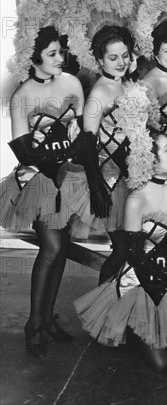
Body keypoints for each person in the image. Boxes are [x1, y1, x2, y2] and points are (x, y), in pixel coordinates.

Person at [74, 129, 167, 372]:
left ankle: (158, 327)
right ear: (150, 162)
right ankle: (135, 327)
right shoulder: (136, 200)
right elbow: (134, 257)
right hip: (146, 282)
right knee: (161, 365)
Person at [0, 26, 86, 357]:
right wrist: (61, 162)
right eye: (52, 54)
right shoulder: (22, 96)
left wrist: (75, 160)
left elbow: (81, 133)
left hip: (70, 177)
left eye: (60, 52)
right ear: (33, 58)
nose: (60, 58)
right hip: (39, 179)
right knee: (50, 247)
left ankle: (48, 318)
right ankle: (33, 323)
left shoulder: (72, 83)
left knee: (62, 246)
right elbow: (26, 154)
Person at [82, 25, 139, 284]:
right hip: (110, 182)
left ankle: (114, 310)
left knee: (129, 250)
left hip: (130, 178)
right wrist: (96, 187)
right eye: (113, 58)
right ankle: (102, 311)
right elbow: (86, 145)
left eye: (125, 55)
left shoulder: (126, 85)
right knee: (123, 249)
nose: (121, 62)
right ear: (99, 60)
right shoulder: (98, 94)